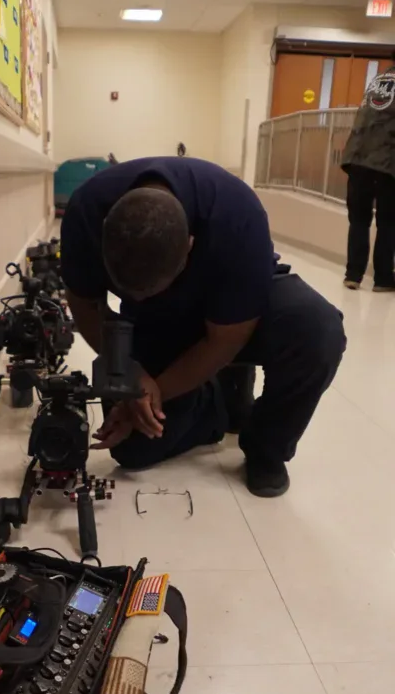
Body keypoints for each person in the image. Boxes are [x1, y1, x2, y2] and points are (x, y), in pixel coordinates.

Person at [60, 157, 346, 497]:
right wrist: (130, 373)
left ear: (191, 245)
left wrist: (159, 389)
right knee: (135, 449)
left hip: (238, 309)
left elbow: (228, 337)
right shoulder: (86, 212)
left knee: (317, 330)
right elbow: (84, 303)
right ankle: (219, 398)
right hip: (156, 320)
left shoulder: (237, 214)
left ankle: (266, 447)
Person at [341, 57, 395, 292]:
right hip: (386, 161)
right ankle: (383, 279)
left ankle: (353, 274)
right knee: (388, 222)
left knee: (359, 220)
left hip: (357, 157)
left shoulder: (379, 79)